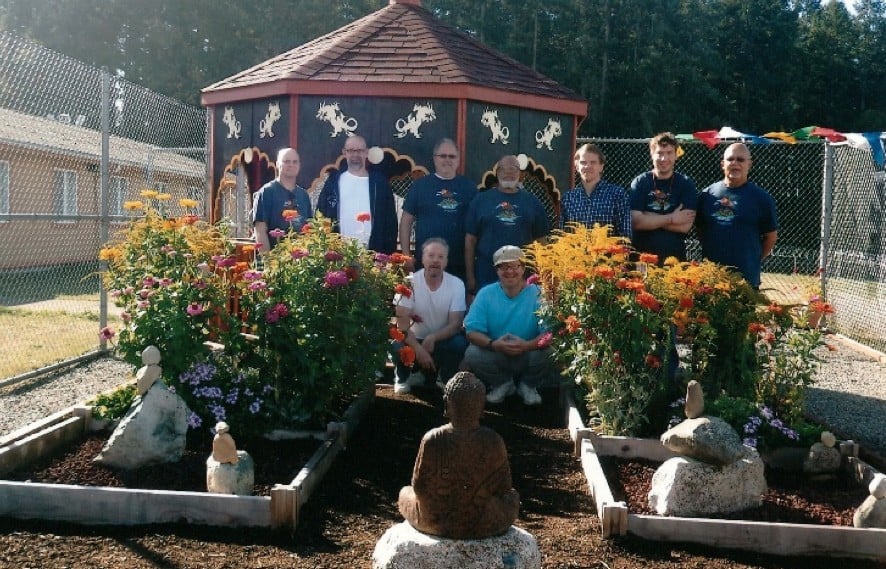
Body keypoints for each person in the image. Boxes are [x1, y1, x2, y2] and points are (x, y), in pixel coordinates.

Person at [398, 371, 519, 539]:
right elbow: (505, 488)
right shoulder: (493, 440)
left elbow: (419, 486)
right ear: (481, 407)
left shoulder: (433, 438)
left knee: (405, 492)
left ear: (447, 404)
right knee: (513, 498)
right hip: (481, 522)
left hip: (435, 521)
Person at [462, 245, 556, 406]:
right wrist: (494, 344)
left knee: (552, 351)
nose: (509, 271)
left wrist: (527, 345)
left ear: (524, 268)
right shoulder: (485, 294)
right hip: (496, 353)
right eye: (503, 267)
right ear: (496, 270)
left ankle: (528, 385)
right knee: (472, 353)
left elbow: (550, 334)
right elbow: (471, 331)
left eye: (515, 266)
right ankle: (502, 384)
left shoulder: (539, 293)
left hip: (530, 353)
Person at [390, 238, 469, 394]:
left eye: (441, 257)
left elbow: (456, 324)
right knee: (396, 345)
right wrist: (418, 348)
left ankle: (444, 377)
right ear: (422, 258)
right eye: (431, 255)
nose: (435, 261)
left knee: (459, 344)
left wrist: (432, 338)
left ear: (446, 261)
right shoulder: (408, 283)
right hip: (413, 339)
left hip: (441, 340)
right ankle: (402, 377)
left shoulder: (457, 284)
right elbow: (402, 325)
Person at [696, 143, 779, 289]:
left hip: (745, 281)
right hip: (711, 279)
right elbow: (701, 231)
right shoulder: (706, 195)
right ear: (723, 164)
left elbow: (771, 237)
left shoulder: (762, 199)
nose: (735, 163)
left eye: (740, 160)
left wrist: (752, 259)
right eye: (730, 159)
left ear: (749, 164)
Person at [464, 155, 549, 295]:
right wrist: (470, 277)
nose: (508, 173)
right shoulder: (480, 201)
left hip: (522, 276)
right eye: (504, 169)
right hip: (487, 274)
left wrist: (543, 274)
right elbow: (470, 240)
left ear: (520, 174)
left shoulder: (532, 202)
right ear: (497, 173)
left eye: (513, 169)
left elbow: (541, 241)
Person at [399, 138, 477, 282]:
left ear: (458, 159)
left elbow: (475, 227)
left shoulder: (469, 188)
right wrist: (406, 255)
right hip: (426, 262)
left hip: (458, 264)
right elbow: (406, 221)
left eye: (452, 156)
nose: (447, 160)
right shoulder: (420, 186)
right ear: (435, 159)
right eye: (443, 156)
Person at [317, 135, 397, 254]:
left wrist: (387, 255)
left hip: (373, 255)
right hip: (338, 255)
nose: (355, 155)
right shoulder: (333, 182)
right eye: (351, 150)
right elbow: (320, 215)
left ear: (366, 153)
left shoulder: (379, 183)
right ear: (344, 152)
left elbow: (390, 221)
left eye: (359, 150)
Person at [629, 133, 697, 262]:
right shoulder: (640, 182)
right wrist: (671, 218)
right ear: (652, 154)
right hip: (642, 259)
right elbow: (636, 222)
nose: (664, 158)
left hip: (673, 260)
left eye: (669, 153)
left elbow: (685, 226)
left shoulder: (686, 184)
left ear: (676, 154)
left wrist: (649, 217)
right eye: (659, 153)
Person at [560, 143, 631, 239]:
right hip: (576, 252)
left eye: (593, 162)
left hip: (606, 253)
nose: (587, 166)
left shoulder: (617, 195)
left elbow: (625, 236)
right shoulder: (568, 198)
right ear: (576, 166)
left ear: (601, 166)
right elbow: (561, 235)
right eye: (583, 162)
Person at [251, 147, 313, 252]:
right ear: (277, 164)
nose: (291, 165)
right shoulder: (267, 192)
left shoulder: (303, 195)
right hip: (276, 260)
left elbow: (309, 228)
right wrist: (269, 262)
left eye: (295, 162)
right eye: (286, 161)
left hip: (301, 262)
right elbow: (260, 230)